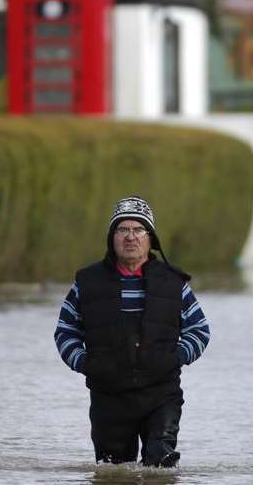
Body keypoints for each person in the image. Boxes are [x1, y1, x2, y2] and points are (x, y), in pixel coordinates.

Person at [54, 196, 210, 468]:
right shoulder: (87, 282)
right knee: (113, 472)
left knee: (160, 468)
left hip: (161, 394)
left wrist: (176, 357)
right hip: (108, 396)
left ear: (151, 239)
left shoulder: (174, 283)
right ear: (112, 238)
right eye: (122, 229)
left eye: (138, 230)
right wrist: (84, 363)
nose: (130, 237)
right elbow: (65, 331)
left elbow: (200, 329)